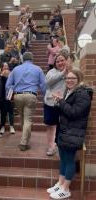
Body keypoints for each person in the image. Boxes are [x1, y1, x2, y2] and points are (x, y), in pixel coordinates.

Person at [47, 69, 92, 199]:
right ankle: (60, 184)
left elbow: (74, 112)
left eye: (72, 78)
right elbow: (66, 110)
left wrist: (61, 102)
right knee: (63, 159)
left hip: (73, 131)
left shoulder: (82, 94)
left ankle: (66, 189)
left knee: (69, 160)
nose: (69, 80)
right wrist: (59, 101)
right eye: (67, 78)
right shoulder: (70, 92)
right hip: (65, 130)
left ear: (79, 79)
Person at [6, 52, 46, 151]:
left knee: (22, 118)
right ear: (32, 59)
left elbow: (8, 85)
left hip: (18, 96)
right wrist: (45, 96)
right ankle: (24, 143)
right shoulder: (38, 69)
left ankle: (25, 139)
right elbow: (43, 85)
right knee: (28, 119)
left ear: (23, 59)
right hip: (31, 95)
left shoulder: (15, 69)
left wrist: (11, 92)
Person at [44, 52, 69, 156]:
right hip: (51, 103)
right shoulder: (51, 72)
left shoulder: (71, 72)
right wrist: (63, 73)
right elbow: (48, 82)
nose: (60, 62)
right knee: (50, 125)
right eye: (57, 61)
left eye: (62, 60)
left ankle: (59, 145)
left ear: (66, 61)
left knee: (62, 125)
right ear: (55, 63)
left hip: (64, 103)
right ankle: (51, 147)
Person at [0, 62, 15, 134]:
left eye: (7, 67)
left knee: (11, 111)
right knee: (3, 112)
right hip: (2, 97)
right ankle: (2, 126)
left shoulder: (12, 74)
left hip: (10, 96)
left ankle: (11, 126)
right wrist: (2, 76)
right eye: (4, 67)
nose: (5, 68)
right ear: (2, 68)